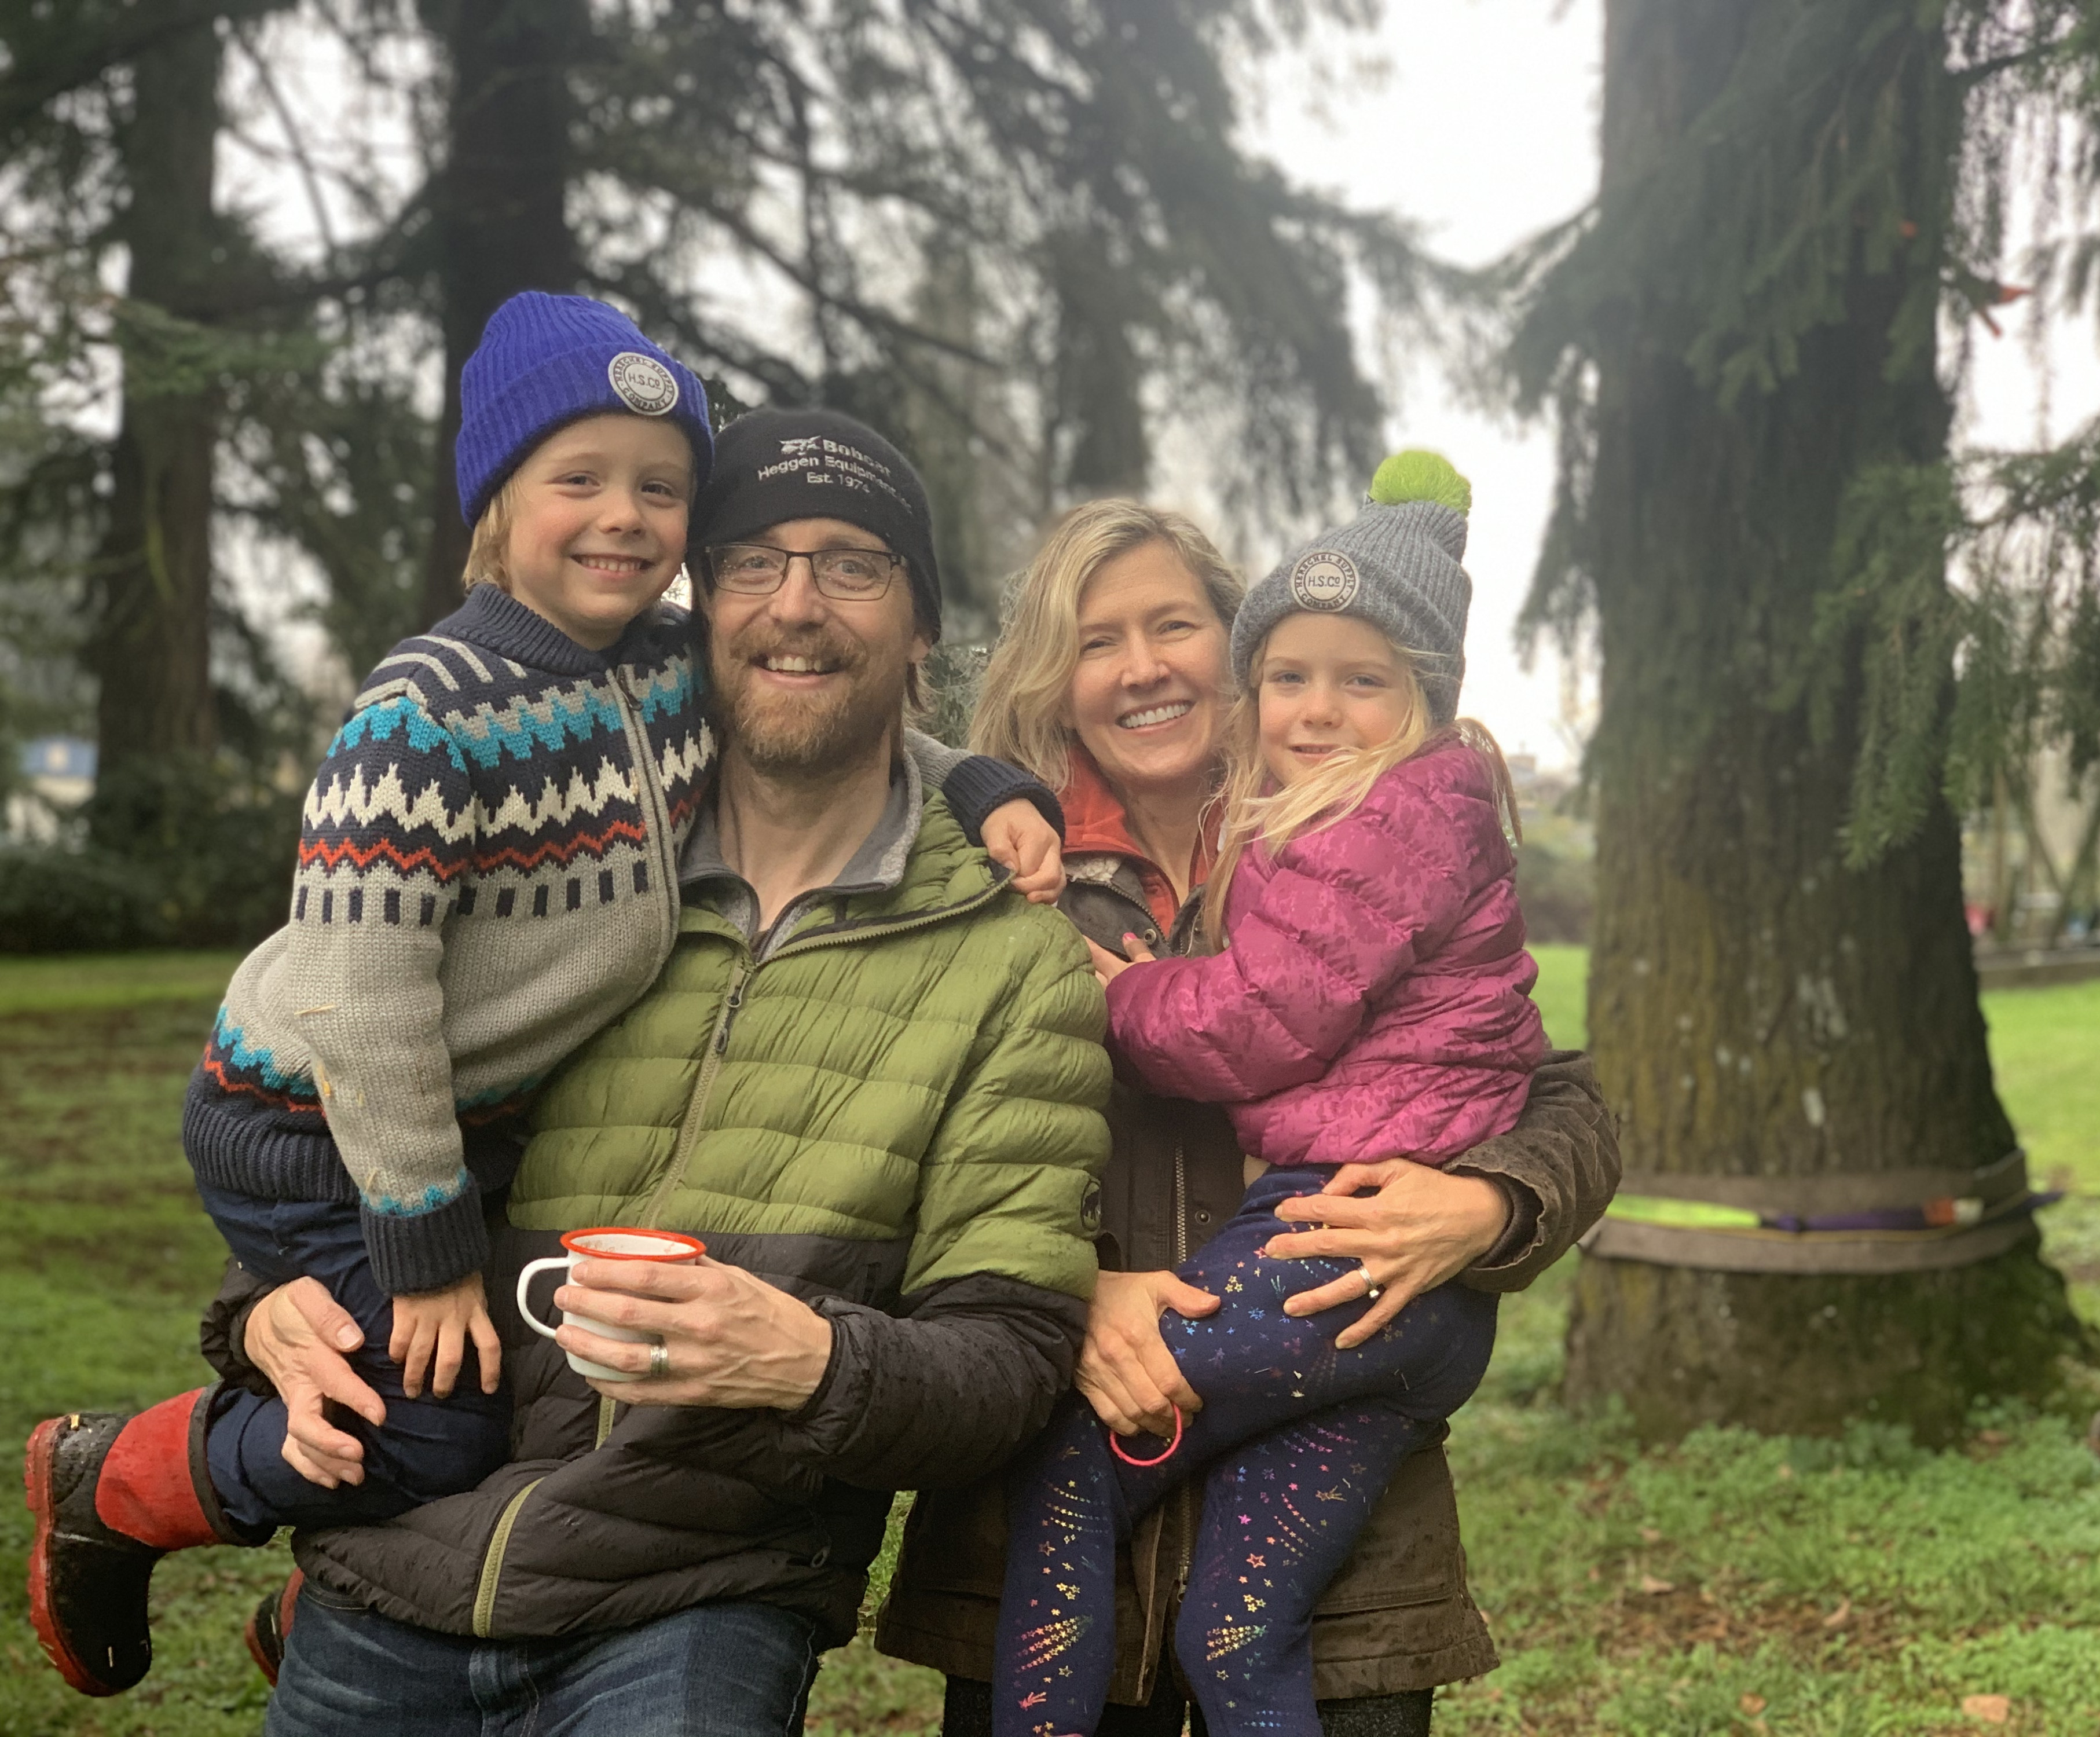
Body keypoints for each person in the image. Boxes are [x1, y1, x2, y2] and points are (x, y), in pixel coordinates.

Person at [22, 297, 1064, 1703]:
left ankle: (307, 1564)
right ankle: (123, 1480)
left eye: (660, 490)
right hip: (313, 1116)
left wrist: (988, 786)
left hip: (499, 1190)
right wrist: (360, 1263)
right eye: (580, 479)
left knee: (435, 1402)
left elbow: (868, 722)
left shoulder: (666, 684)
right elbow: (366, 1002)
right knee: (424, 1421)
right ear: (496, 505)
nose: (623, 517)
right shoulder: (423, 717)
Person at [878, 496, 1621, 1737]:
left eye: (1172, 625)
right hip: (1065, 1508)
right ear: (1052, 674)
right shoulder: (989, 873)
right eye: (1096, 640)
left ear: (1230, 648)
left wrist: (1489, 1203)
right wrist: (1059, 1289)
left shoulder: (1349, 822)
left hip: (1351, 1581)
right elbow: (890, 1147)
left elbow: (1548, 1089)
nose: (1141, 667)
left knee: (1248, 1633)